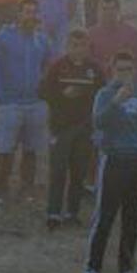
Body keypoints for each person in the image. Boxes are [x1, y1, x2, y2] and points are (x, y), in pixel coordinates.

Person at [83, 52, 137, 273]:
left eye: (129, 69)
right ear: (113, 70)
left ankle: (126, 266)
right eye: (120, 69)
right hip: (114, 160)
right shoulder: (105, 95)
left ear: (136, 70)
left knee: (131, 218)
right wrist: (116, 101)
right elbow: (98, 122)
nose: (125, 74)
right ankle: (92, 269)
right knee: (104, 217)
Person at [0, 0, 52, 198]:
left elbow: (48, 67)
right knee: (5, 149)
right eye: (27, 11)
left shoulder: (42, 40)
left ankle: (26, 189)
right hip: (10, 102)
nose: (31, 16)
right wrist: (0, 97)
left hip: (35, 103)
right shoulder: (4, 37)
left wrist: (44, 96)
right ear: (19, 14)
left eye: (34, 12)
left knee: (31, 150)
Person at [40, 28, 105, 228]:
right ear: (67, 46)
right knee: (58, 170)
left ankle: (72, 213)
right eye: (74, 45)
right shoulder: (58, 67)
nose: (78, 50)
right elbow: (43, 91)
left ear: (88, 47)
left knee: (79, 171)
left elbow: (103, 94)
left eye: (82, 45)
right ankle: (53, 213)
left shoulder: (94, 69)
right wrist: (62, 95)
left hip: (85, 128)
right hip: (61, 127)